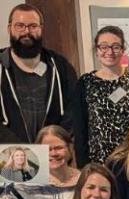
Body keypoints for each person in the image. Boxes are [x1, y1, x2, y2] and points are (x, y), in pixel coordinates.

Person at [75, 25, 129, 167]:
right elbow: (80, 129)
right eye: (104, 47)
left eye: (115, 46)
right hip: (98, 164)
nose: (110, 52)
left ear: (123, 49)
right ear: (97, 50)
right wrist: (84, 167)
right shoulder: (85, 83)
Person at [0, 4, 78, 143]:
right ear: (9, 28)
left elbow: (73, 108)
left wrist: (55, 140)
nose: (26, 31)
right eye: (20, 25)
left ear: (41, 28)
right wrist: (18, 147)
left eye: (33, 26)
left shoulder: (60, 66)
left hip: (52, 154)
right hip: (7, 155)